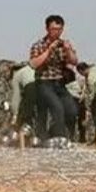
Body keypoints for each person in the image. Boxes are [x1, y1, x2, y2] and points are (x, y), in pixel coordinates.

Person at [28, 14, 78, 145]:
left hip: (60, 83)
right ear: (47, 29)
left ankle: (65, 136)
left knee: (71, 110)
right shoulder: (38, 45)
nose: (57, 32)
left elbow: (74, 61)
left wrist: (68, 51)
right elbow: (33, 64)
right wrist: (49, 51)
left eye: (59, 29)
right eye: (54, 29)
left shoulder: (64, 45)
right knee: (57, 108)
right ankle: (59, 139)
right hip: (44, 82)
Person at [10, 62, 36, 131]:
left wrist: (15, 115)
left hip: (30, 88)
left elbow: (16, 99)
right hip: (43, 87)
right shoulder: (33, 69)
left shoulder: (16, 76)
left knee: (25, 114)